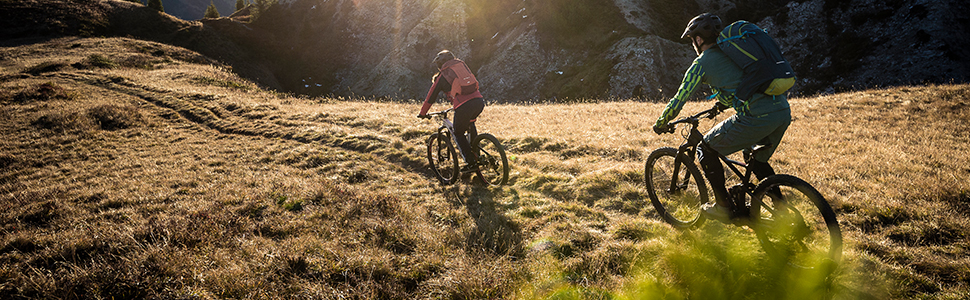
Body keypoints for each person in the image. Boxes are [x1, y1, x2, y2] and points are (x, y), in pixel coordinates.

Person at [653, 13, 792, 222]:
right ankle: (782, 212)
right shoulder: (736, 53)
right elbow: (739, 85)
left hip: (756, 116)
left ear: (698, 39)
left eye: (693, 39)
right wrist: (720, 105)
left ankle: (723, 206)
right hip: (782, 111)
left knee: (704, 149)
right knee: (756, 158)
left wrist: (662, 122)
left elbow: (680, 96)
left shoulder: (701, 63)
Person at [418, 50, 486, 173]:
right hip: (479, 101)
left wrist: (423, 113)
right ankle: (477, 155)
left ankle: (471, 164)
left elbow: (430, 97)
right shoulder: (461, 68)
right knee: (470, 124)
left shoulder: (442, 76)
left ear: (439, 65)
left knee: (458, 133)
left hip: (464, 106)